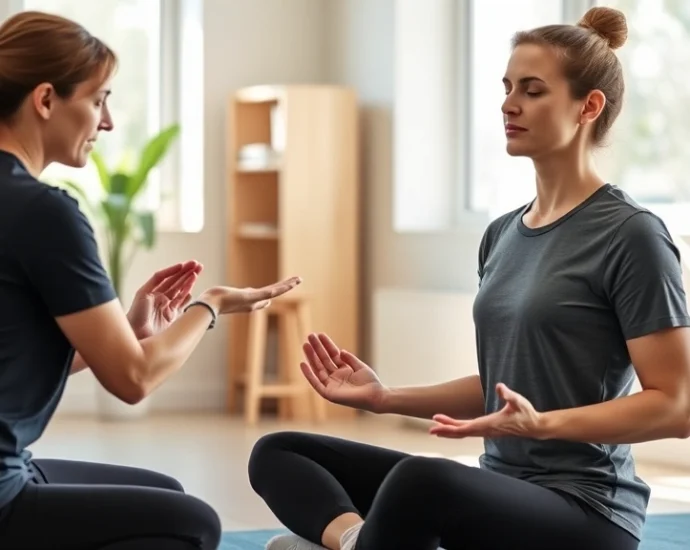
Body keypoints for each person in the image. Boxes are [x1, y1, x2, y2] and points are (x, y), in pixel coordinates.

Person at [248, 6, 690, 550]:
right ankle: (358, 544)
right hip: (499, 491)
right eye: (507, 87)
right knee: (281, 451)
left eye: (532, 90)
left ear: (588, 106)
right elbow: (499, 386)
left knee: (423, 482)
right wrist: (385, 398)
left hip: (586, 510)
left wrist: (541, 426)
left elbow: (677, 405)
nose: (509, 104)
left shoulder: (632, 235)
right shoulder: (502, 234)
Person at [0, 10, 301, 550]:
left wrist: (127, 329)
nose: (108, 122)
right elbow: (134, 380)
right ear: (45, 100)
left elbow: (14, 359)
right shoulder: (44, 212)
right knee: (193, 524)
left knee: (163, 493)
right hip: (3, 494)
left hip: (13, 467)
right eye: (98, 100)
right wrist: (207, 307)